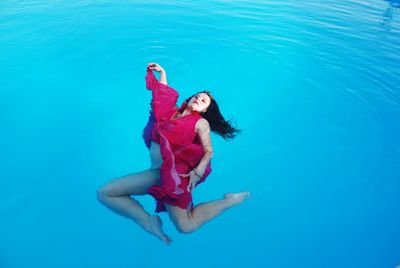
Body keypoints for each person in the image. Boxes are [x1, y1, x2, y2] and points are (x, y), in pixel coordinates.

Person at [97, 63, 250, 245]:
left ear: (204, 111)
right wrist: (162, 73)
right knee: (105, 193)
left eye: (203, 101)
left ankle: (231, 200)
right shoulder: (169, 112)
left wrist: (199, 170)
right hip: (157, 174)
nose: (198, 99)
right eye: (197, 96)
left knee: (186, 227)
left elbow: (209, 150)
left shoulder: (200, 123)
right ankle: (148, 222)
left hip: (175, 179)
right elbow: (162, 94)